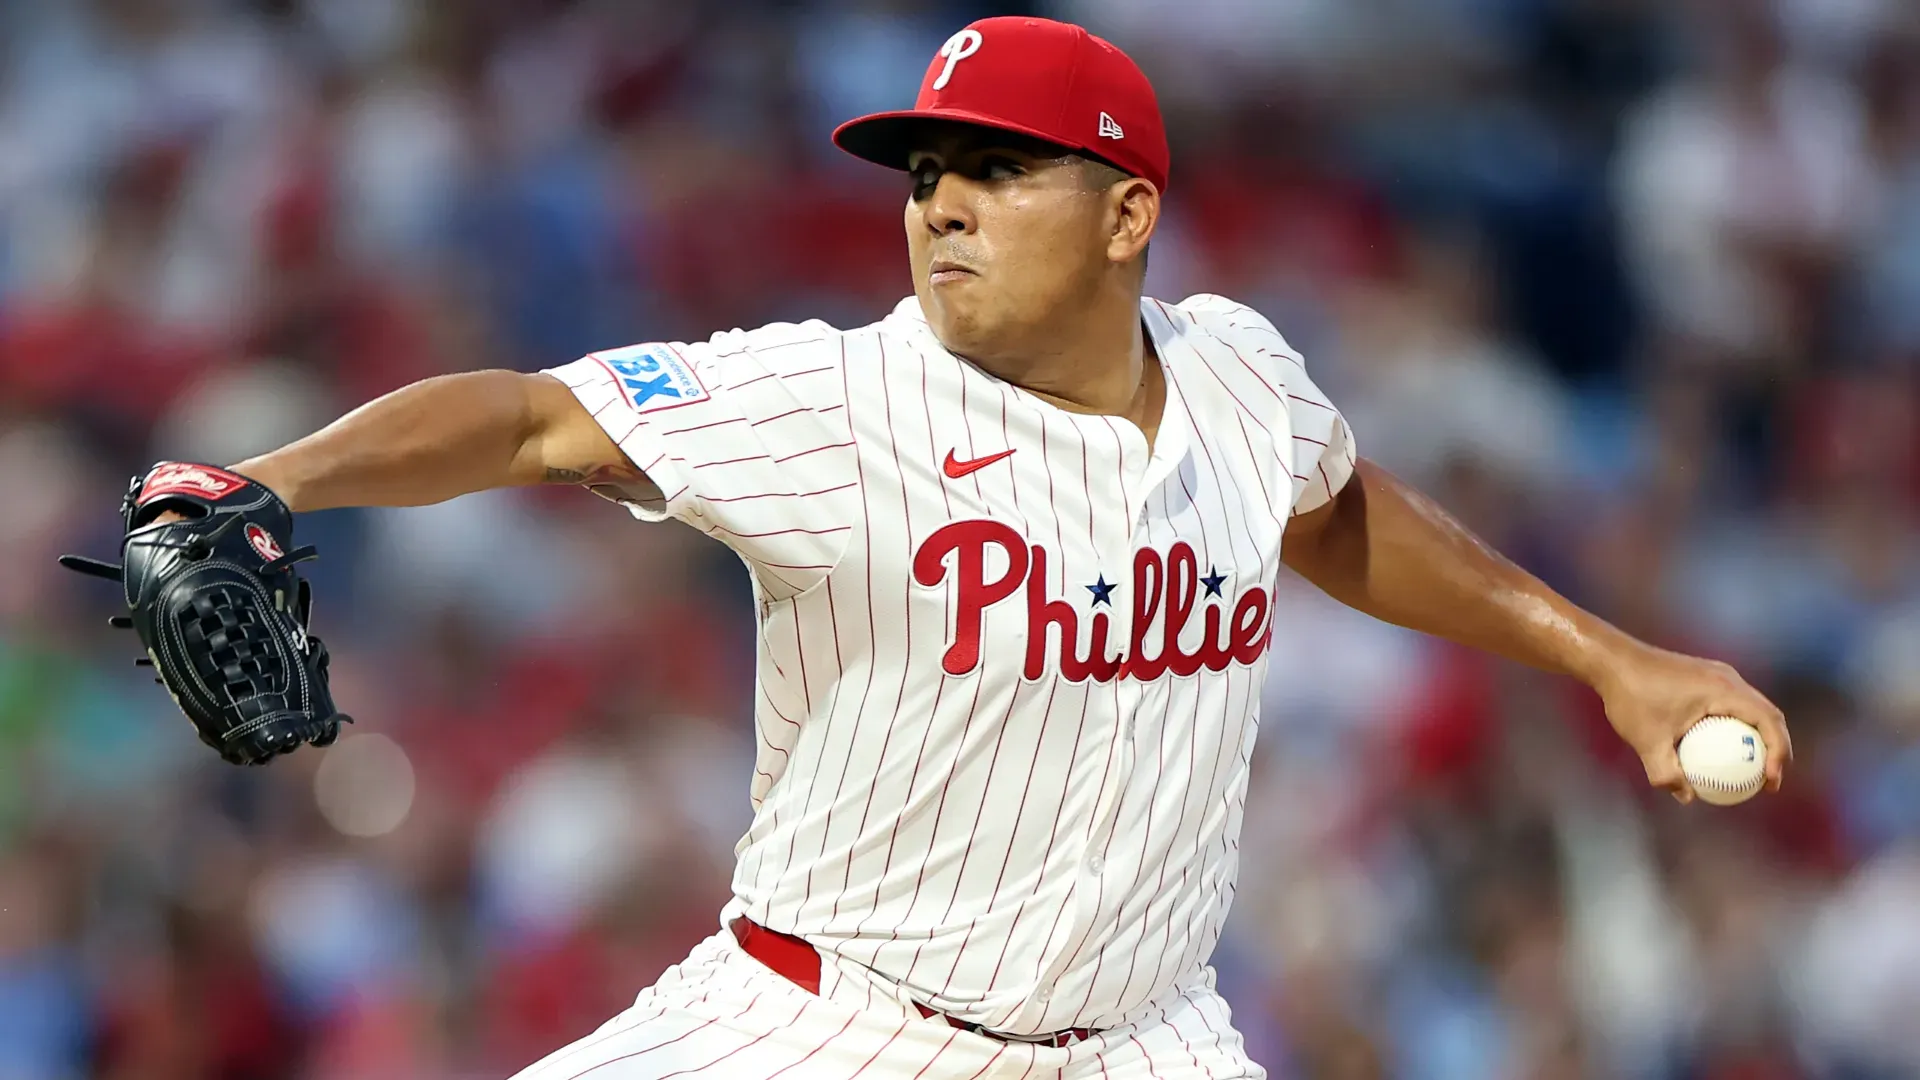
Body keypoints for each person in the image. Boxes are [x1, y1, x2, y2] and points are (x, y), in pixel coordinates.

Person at [209, 17, 1790, 1079]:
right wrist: (266, 483)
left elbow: (1333, 510)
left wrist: (1611, 658)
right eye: (924, 176)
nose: (941, 207)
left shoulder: (1240, 370)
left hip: (1143, 1041)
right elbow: (531, 418)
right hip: (825, 1030)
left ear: (1126, 215)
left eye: (997, 170)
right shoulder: (835, 400)